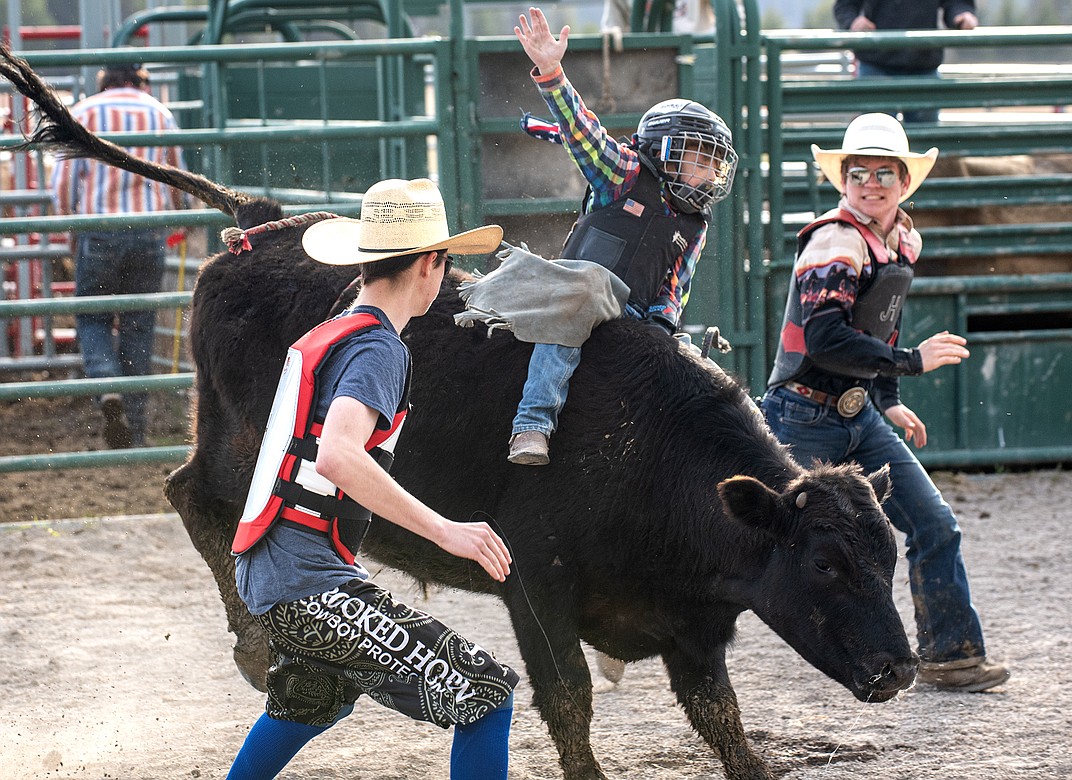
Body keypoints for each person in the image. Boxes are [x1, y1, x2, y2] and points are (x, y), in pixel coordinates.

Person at [225, 178, 519, 779]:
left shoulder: (334, 332)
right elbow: (337, 456)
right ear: (431, 265)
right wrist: (446, 531)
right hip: (307, 585)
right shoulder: (380, 349)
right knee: (486, 695)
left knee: (312, 701)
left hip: (272, 572)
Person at [759, 113, 1009, 693]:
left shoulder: (899, 240)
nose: (871, 183)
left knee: (935, 525)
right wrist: (912, 364)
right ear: (844, 181)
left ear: (903, 182)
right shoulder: (835, 241)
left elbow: (880, 322)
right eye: (860, 173)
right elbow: (826, 338)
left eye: (884, 173)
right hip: (802, 414)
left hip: (857, 412)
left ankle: (952, 657)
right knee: (751, 543)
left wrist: (889, 398)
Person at [507, 6, 739, 466]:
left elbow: (675, 287)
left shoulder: (695, 223)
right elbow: (584, 134)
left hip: (633, 311)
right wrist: (552, 73)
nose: (708, 173)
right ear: (663, 149)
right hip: (578, 291)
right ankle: (532, 424)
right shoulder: (625, 172)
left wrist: (662, 332)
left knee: (683, 359)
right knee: (572, 310)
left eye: (715, 164)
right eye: (699, 158)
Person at [51, 62, 188, 448]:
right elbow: (176, 174)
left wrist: (68, 231)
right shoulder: (158, 112)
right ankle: (136, 425)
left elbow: (62, 181)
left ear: (104, 79)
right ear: (140, 79)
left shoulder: (85, 111)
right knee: (138, 324)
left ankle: (107, 386)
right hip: (148, 232)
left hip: (100, 229)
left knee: (92, 316)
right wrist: (179, 219)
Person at [833, 0, 978, 123]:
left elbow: (956, 2)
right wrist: (852, 21)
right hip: (877, 64)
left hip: (922, 64)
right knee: (878, 144)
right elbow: (845, 5)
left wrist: (961, 14)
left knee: (923, 143)